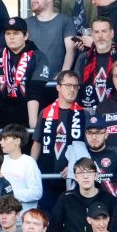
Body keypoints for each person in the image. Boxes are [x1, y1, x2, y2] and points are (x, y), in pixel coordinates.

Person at [33, 70, 86, 206]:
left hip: (72, 177)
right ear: (58, 87)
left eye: (75, 86)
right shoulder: (45, 112)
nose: (72, 89)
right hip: (46, 174)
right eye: (68, 85)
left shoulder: (84, 113)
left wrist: (75, 165)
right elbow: (37, 142)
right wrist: (31, 166)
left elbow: (86, 147)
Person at [47, 157, 117, 232]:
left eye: (89, 172)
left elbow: (116, 229)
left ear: (96, 175)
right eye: (80, 173)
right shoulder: (65, 198)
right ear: (75, 177)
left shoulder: (109, 199)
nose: (85, 176)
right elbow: (54, 228)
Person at [73, 17, 117, 113]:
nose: (100, 36)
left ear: (112, 33)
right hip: (88, 113)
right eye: (96, 32)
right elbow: (74, 87)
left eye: (104, 31)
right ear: (92, 35)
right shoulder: (83, 58)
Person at [76, 114, 117, 198]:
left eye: (98, 132)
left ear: (106, 134)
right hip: (88, 206)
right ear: (85, 134)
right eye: (90, 133)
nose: (94, 137)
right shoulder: (79, 153)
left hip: (113, 207)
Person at [27, 0, 78, 76]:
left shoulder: (65, 21)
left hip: (56, 81)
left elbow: (70, 50)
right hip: (31, 81)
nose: (32, 0)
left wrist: (63, 75)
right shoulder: (26, 23)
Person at [0, 123, 42, 212]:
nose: (1, 142)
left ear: (17, 141)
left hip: (23, 216)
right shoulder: (0, 160)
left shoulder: (29, 162)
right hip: (2, 215)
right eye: (1, 139)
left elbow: (36, 192)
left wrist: (9, 193)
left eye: (5, 139)